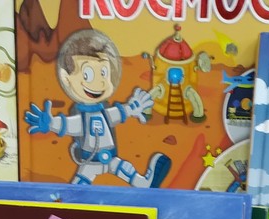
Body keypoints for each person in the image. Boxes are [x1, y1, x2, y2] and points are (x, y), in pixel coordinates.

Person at [25, 30, 170, 189]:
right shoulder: (82, 119)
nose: (99, 83)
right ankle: (70, 199)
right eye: (87, 74)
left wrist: (134, 107)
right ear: (66, 78)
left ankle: (144, 183)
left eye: (103, 73)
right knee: (79, 186)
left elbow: (120, 113)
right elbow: (67, 124)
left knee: (124, 169)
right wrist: (51, 123)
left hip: (110, 158)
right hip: (90, 162)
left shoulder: (105, 113)